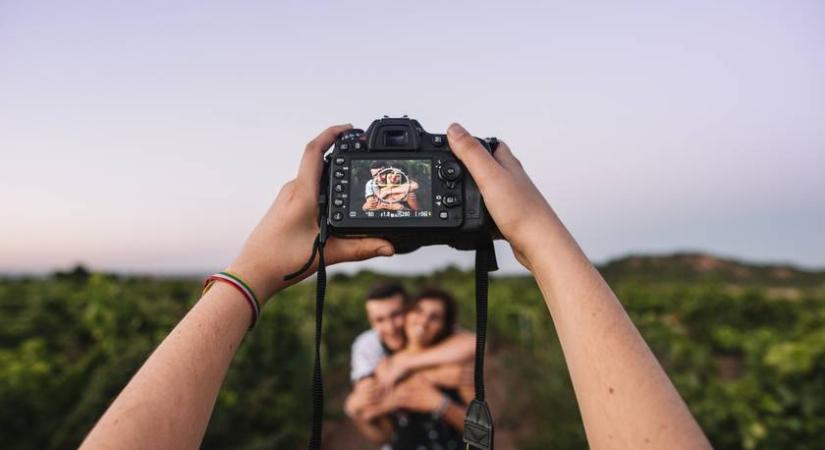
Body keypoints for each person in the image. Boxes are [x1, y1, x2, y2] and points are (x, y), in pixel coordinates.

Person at [80, 123, 713, 450]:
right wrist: (542, 242)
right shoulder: (383, 351)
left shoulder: (421, 348)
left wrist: (251, 272)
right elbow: (367, 406)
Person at [344, 285, 474, 447]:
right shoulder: (383, 367)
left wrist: (441, 404)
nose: (423, 321)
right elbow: (384, 437)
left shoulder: (456, 366)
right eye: (418, 311)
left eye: (434, 317)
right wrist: (360, 412)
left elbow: (482, 434)